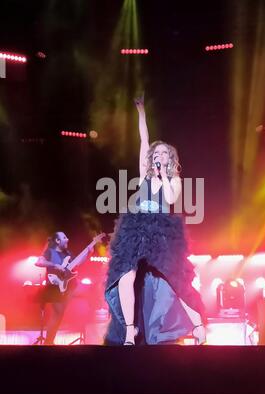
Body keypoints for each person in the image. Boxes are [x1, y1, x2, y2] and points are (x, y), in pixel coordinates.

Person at [104, 96, 207, 345]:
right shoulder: (144, 173)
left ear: (170, 159)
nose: (158, 155)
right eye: (156, 153)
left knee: (174, 276)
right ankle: (130, 329)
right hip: (137, 226)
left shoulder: (173, 179)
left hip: (160, 228)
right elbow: (144, 139)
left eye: (164, 153)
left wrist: (163, 177)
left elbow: (171, 197)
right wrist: (141, 112)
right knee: (125, 275)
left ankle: (199, 325)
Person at [35, 231, 94, 345]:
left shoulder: (67, 253)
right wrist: (54, 265)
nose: (67, 239)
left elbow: (76, 263)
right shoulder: (49, 252)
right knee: (57, 314)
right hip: (55, 287)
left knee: (89, 294)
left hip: (70, 286)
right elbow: (39, 262)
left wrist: (89, 253)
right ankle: (48, 342)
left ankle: (87, 329)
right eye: (64, 237)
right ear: (57, 241)